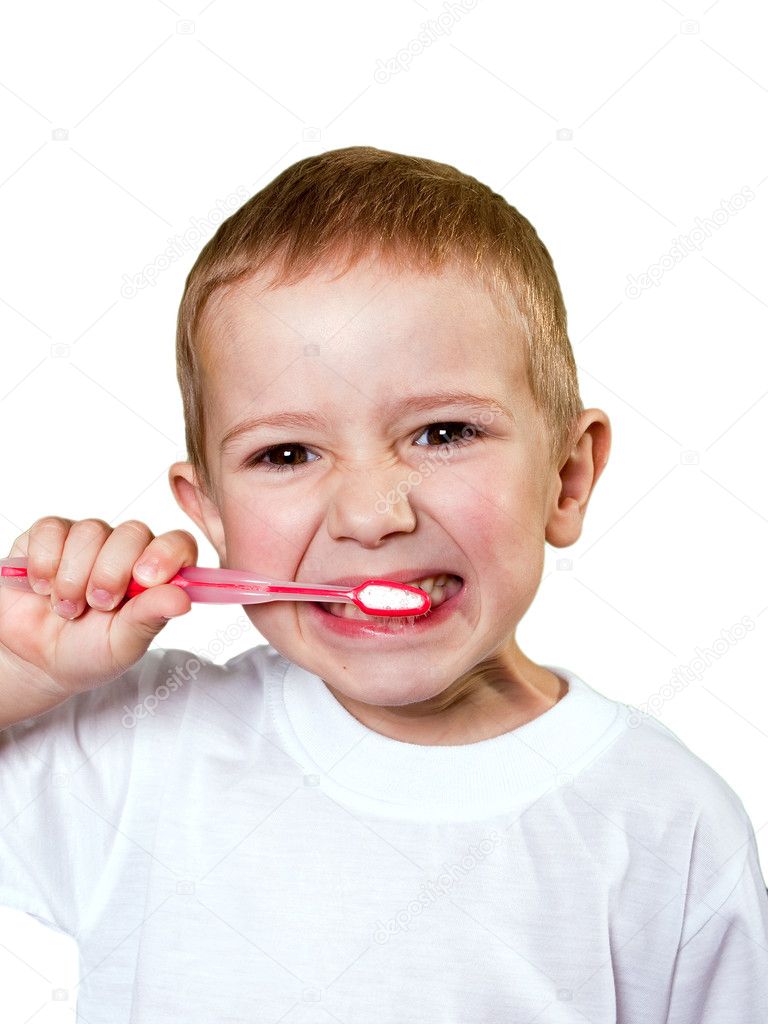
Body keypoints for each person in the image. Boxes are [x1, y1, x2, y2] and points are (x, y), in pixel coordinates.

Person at [1, 146, 766, 1022]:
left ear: (566, 477)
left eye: (443, 433)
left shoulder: (669, 821)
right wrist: (22, 671)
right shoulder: (130, 749)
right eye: (284, 454)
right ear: (209, 514)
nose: (371, 514)